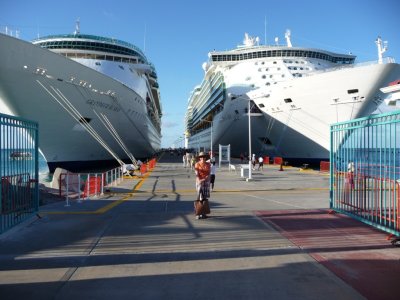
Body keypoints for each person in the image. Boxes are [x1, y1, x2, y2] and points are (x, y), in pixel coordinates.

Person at [194, 152, 211, 219]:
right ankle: (198, 213)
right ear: (199, 158)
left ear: (206, 158)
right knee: (199, 197)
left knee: (204, 198)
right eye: (201, 157)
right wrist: (199, 180)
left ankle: (203, 213)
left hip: (206, 182)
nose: (203, 158)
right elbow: (196, 174)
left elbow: (209, 173)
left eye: (204, 157)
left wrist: (205, 178)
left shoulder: (208, 164)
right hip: (199, 182)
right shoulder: (197, 164)